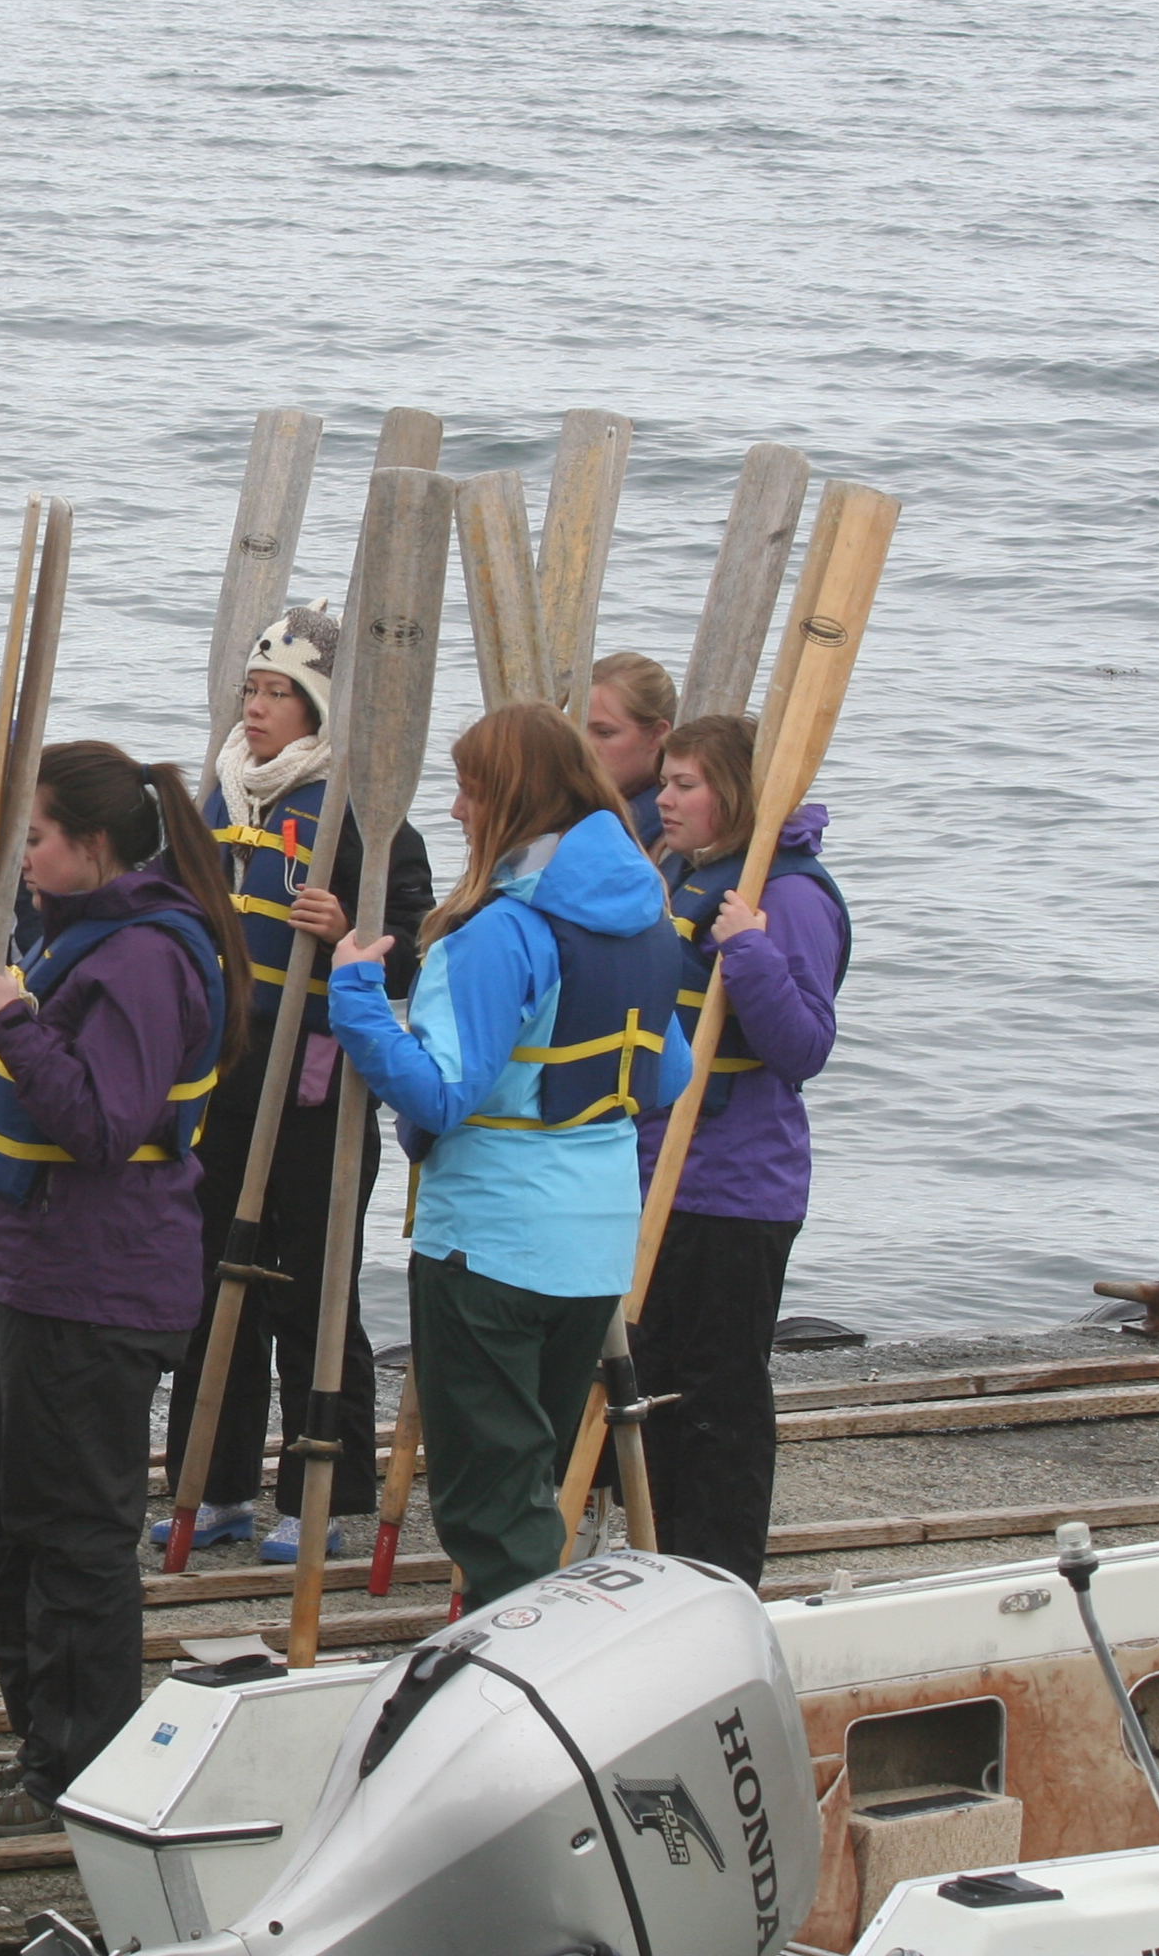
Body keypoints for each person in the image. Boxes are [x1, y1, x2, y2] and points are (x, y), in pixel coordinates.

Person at [0, 741, 250, 1837]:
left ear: (94, 843)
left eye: (34, 838)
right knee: (11, 1522)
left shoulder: (144, 960)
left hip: (102, 1283)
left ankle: (82, 1771)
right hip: (40, 1272)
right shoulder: (80, 935)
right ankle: (45, 1749)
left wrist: (8, 1018)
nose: (21, 858)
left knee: (74, 1536)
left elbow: (105, 1127)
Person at [318, 702, 689, 1609]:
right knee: (534, 1475)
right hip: (596, 1239)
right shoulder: (649, 917)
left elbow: (442, 1094)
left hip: (491, 1243)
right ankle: (543, 1636)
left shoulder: (498, 933)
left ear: (514, 801)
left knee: (490, 1501)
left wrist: (358, 998)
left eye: (470, 793)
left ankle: (525, 1664)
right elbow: (669, 1074)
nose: (456, 811)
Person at [157, 602, 433, 1565]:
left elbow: (410, 946)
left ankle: (326, 1491)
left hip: (319, 1093)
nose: (259, 707)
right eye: (252, 689)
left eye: (279, 693)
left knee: (314, 1294)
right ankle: (214, 1485)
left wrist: (346, 932)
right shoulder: (221, 794)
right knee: (211, 1288)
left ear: (319, 709)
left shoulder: (361, 808)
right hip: (220, 1084)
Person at [634, 712, 848, 1585]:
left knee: (717, 1397)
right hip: (658, 1174)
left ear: (733, 793)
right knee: (650, 1386)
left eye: (685, 784)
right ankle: (656, 1563)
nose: (665, 799)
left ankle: (720, 1575)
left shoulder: (788, 895)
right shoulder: (680, 870)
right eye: (664, 780)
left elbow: (804, 1047)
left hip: (735, 1186)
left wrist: (749, 949)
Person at [583, 651, 679, 849]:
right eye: (576, 728)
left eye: (604, 733)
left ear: (656, 735)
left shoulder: (672, 829)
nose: (584, 745)